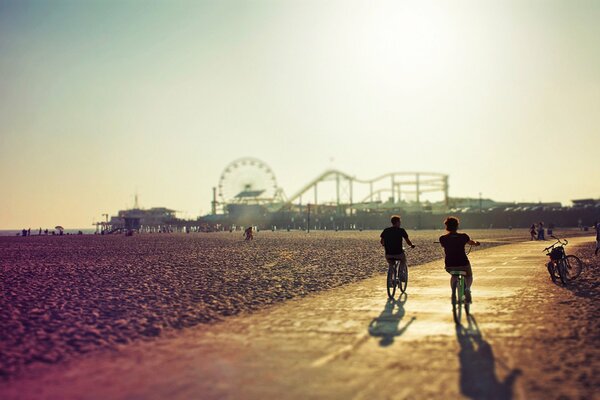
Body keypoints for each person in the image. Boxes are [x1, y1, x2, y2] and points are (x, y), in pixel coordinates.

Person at [439, 217, 480, 303]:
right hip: (463, 263)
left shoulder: (442, 238)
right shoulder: (464, 236)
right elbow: (471, 242)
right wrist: (476, 243)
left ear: (447, 227)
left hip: (450, 264)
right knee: (469, 275)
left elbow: (443, 245)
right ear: (457, 226)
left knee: (454, 276)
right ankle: (467, 288)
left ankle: (453, 293)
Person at [380, 215, 415, 282]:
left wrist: (384, 245)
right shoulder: (401, 230)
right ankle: (401, 274)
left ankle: (390, 279)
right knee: (403, 260)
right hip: (398, 253)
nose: (400, 223)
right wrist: (411, 245)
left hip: (388, 254)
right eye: (399, 222)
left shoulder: (386, 230)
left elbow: (381, 241)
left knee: (391, 263)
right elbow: (407, 241)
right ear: (397, 222)